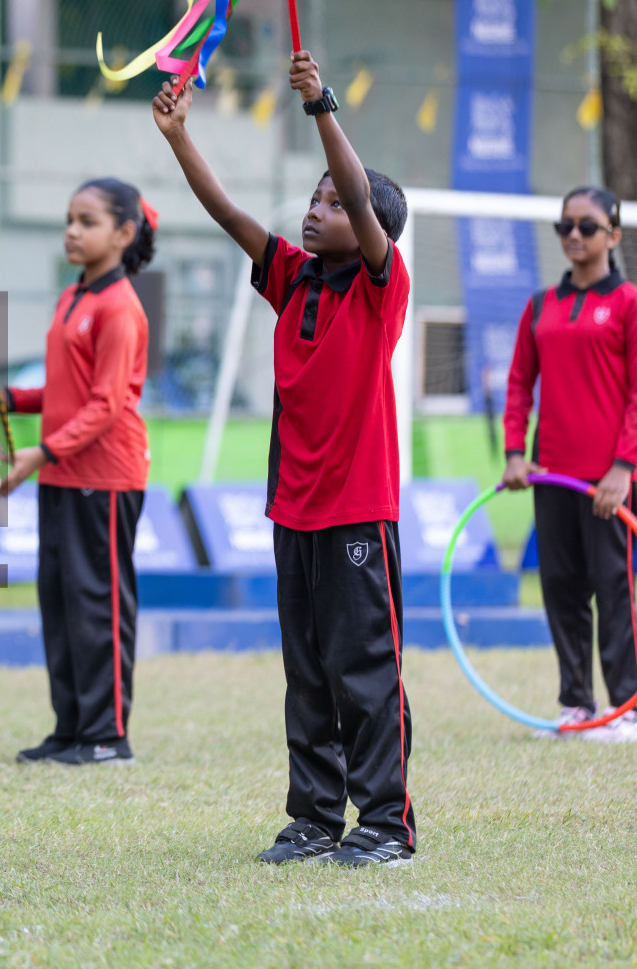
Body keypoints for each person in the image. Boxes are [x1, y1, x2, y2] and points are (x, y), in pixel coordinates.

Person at [153, 52, 416, 867]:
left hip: (356, 509)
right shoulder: (291, 279)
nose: (318, 208)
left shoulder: (383, 283)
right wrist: (177, 137)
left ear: (371, 226)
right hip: (290, 508)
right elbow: (226, 210)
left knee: (364, 669)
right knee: (307, 673)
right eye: (314, 198)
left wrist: (322, 109)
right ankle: (312, 815)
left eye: (337, 204)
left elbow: (361, 199)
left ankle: (385, 823)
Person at [0, 178, 154, 767]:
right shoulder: (73, 296)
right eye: (69, 220)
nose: (72, 232)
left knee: (96, 603)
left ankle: (107, 736)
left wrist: (40, 453)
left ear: (123, 234)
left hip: (104, 477)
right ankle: (71, 728)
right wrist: (2, 396)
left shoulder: (120, 307)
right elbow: (66, 390)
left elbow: (106, 404)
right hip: (61, 473)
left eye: (88, 221)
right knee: (58, 601)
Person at [503, 187, 637, 742]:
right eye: (565, 227)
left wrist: (623, 466)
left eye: (586, 226)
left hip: (608, 481)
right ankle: (577, 706)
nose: (574, 236)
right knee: (560, 585)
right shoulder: (540, 306)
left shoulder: (629, 302)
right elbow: (518, 385)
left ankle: (625, 707)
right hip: (551, 476)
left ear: (613, 234)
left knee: (614, 587)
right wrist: (515, 452)